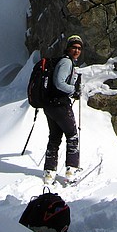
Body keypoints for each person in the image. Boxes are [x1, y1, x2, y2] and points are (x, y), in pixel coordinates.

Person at [42, 34, 83, 184]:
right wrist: (73, 90)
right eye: (74, 47)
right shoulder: (66, 62)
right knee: (72, 135)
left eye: (79, 48)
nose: (77, 50)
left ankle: (49, 173)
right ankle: (71, 170)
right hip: (60, 105)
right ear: (68, 48)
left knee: (54, 138)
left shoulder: (63, 61)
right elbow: (59, 83)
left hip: (50, 106)